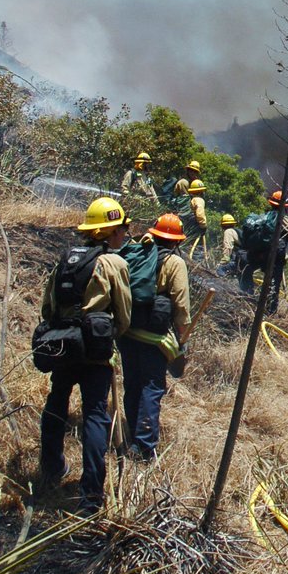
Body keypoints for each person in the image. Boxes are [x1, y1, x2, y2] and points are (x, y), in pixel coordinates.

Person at [40, 197, 132, 513]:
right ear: (109, 231)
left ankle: (50, 469)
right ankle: (91, 494)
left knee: (56, 402)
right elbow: (123, 316)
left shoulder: (65, 259)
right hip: (95, 351)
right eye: (122, 228)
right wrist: (110, 337)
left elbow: (47, 307)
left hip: (63, 346)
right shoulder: (114, 264)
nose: (126, 233)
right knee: (95, 413)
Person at [117, 213, 192, 461]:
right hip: (154, 337)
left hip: (127, 331)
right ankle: (144, 446)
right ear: (177, 241)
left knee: (132, 382)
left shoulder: (138, 253)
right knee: (152, 387)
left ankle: (130, 434)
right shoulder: (174, 263)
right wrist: (183, 336)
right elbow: (180, 305)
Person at [239, 190, 288, 315]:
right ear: (284, 206)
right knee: (273, 284)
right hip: (274, 256)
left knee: (251, 272)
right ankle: (270, 312)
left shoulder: (264, 217)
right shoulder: (281, 217)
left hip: (258, 254)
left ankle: (247, 297)